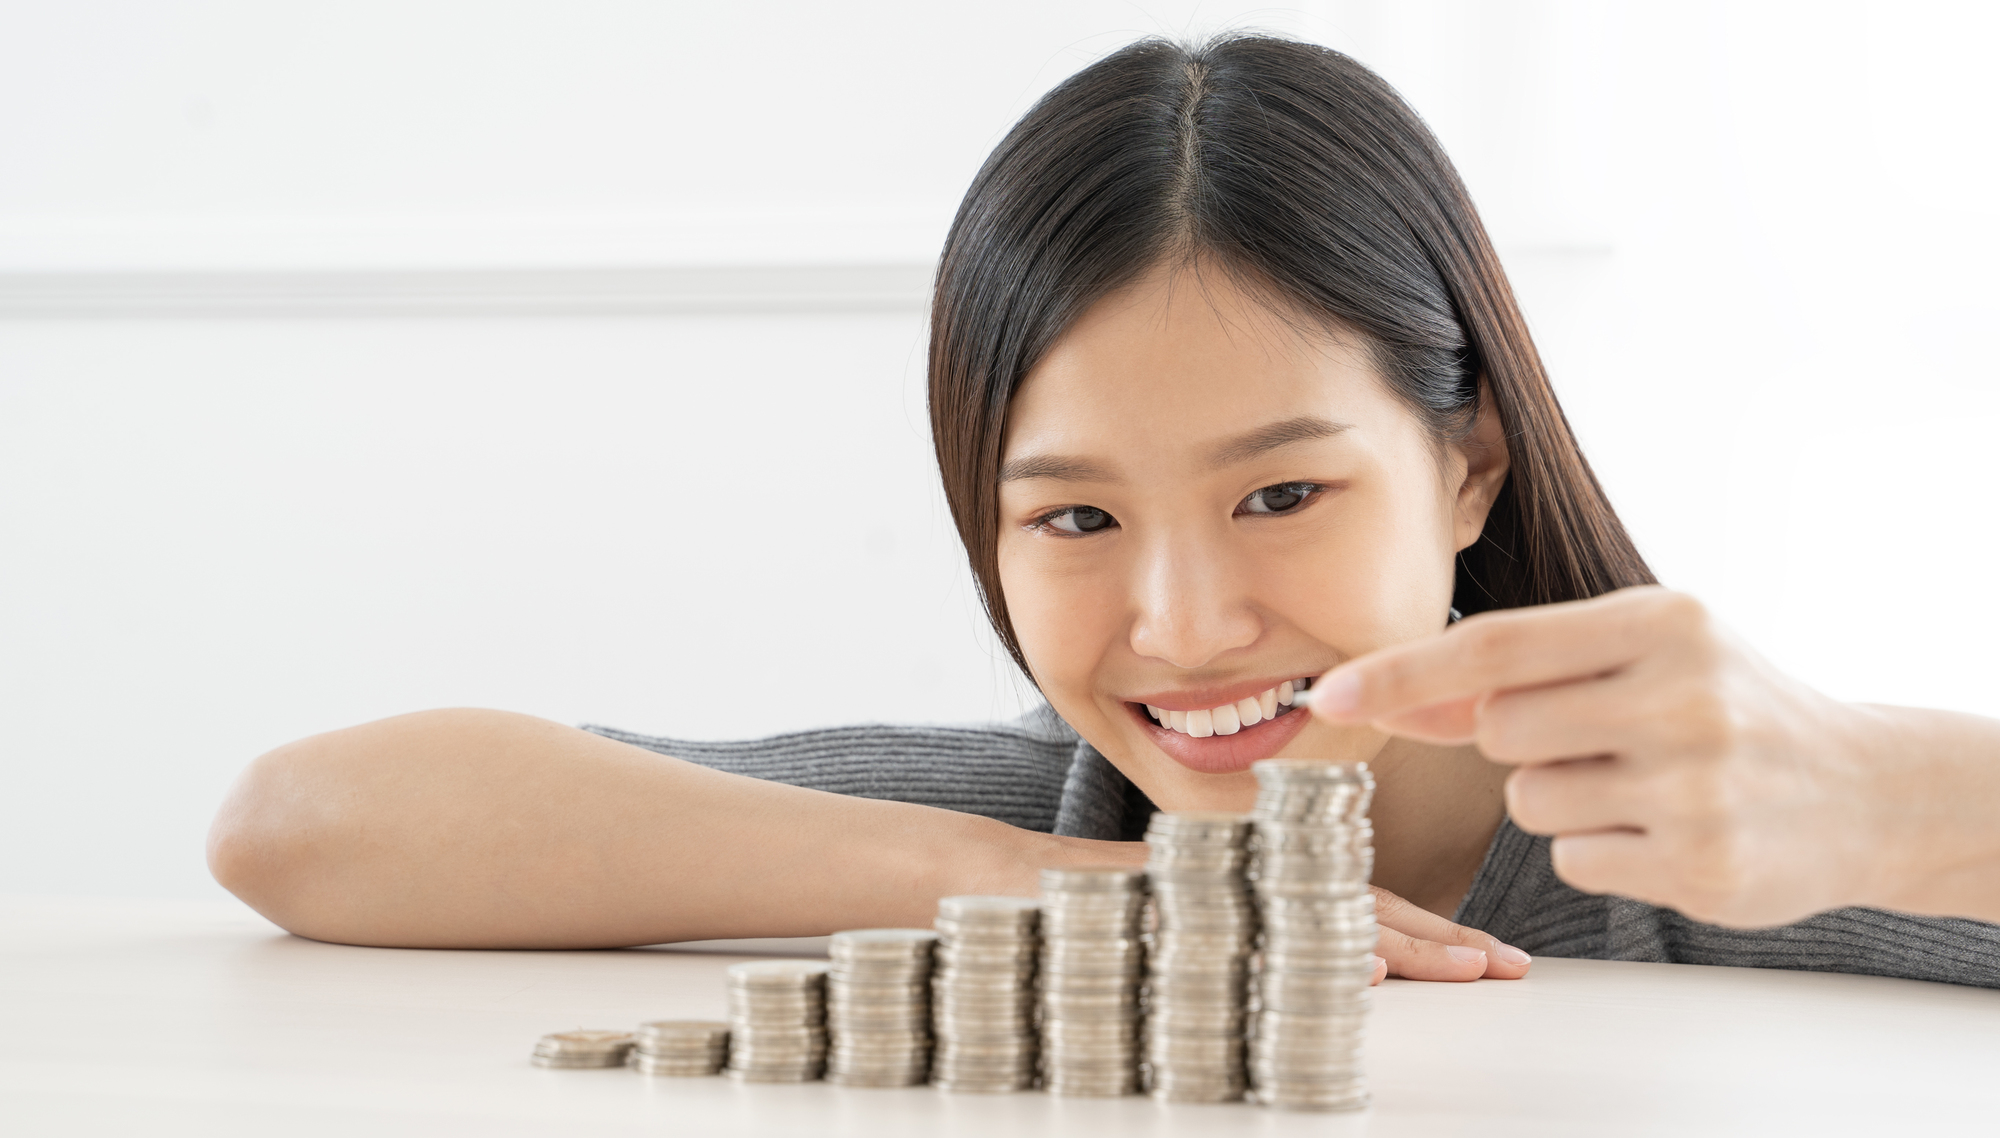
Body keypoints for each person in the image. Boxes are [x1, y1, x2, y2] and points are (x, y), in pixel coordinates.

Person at [207, 34, 2000, 989]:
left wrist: (1889, 793)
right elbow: (304, 822)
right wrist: (1045, 884)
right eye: (1072, 521)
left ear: (1468, 465)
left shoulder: (1722, 848)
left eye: (1282, 491)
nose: (1187, 622)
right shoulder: (1070, 829)